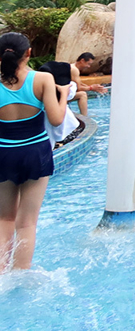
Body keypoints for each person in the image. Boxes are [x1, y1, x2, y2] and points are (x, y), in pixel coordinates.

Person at [1, 32, 70, 271]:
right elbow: (56, 119)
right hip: (35, 153)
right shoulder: (42, 79)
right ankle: (21, 273)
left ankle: (1, 273)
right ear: (28, 53)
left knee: (4, 219)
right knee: (27, 223)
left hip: (4, 153)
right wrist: (64, 94)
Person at [35, 62, 80, 146]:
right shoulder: (64, 92)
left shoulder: (35, 94)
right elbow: (57, 121)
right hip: (49, 142)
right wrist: (63, 93)